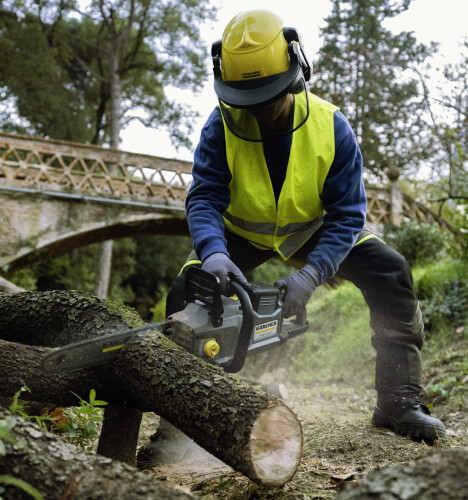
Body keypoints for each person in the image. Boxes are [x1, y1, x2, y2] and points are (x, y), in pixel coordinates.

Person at [139, 9, 445, 465]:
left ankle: (398, 401)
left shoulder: (332, 126)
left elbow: (347, 215)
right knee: (187, 291)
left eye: (270, 98)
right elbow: (203, 197)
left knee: (390, 271)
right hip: (239, 233)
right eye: (248, 100)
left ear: (296, 73)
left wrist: (313, 273)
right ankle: (178, 420)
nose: (260, 110)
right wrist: (214, 252)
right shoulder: (219, 125)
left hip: (311, 230)